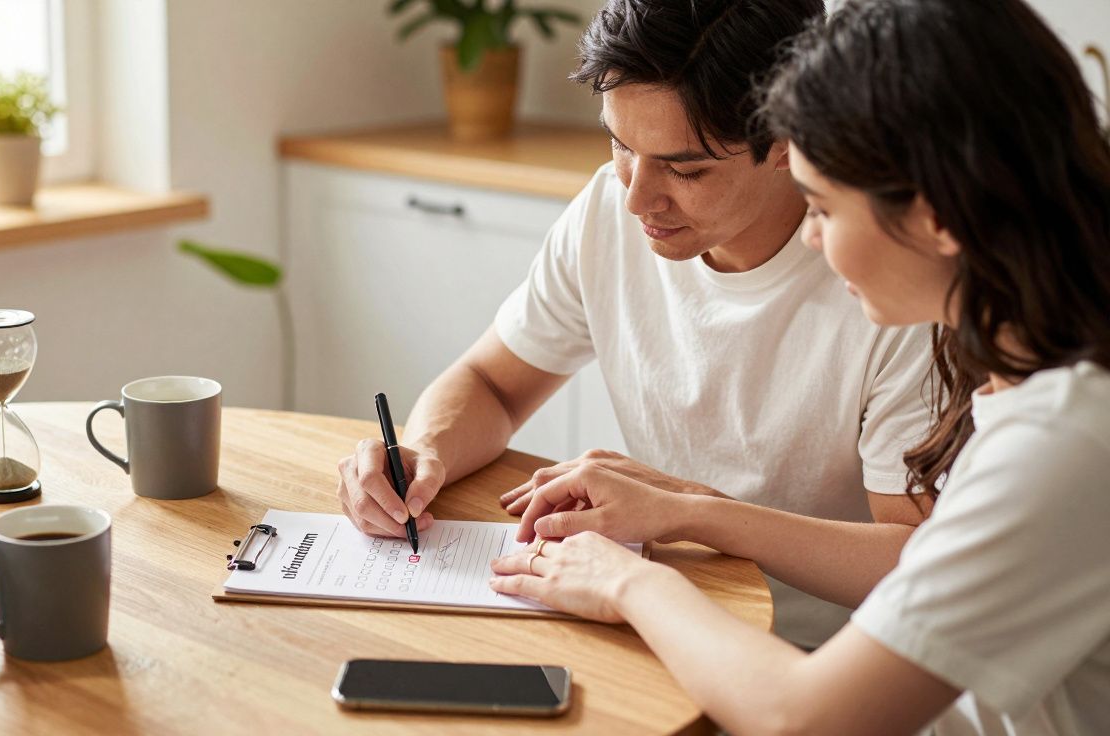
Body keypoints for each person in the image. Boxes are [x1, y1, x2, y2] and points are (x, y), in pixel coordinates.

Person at [491, 0, 1110, 732]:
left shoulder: (1065, 441)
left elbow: (802, 716)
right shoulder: (1033, 375)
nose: (810, 239)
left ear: (935, 214)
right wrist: (693, 505)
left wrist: (626, 579)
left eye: (820, 207)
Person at [337, 0, 935, 649]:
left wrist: (696, 513)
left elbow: (919, 561)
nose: (635, 197)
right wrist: (426, 451)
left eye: (686, 168)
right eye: (620, 144)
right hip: (641, 616)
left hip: (814, 658)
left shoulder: (886, 282)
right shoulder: (608, 208)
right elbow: (494, 381)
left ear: (791, 139)